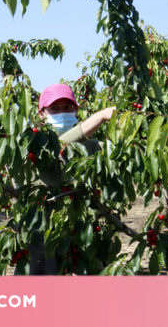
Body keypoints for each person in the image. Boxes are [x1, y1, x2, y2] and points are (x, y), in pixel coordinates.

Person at [24, 83, 115, 275]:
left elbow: (118, 155)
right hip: (43, 227)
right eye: (54, 108)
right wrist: (100, 116)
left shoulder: (91, 145)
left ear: (76, 110)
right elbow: (60, 146)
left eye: (68, 107)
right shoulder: (34, 142)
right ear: (42, 113)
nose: (62, 112)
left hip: (82, 226)